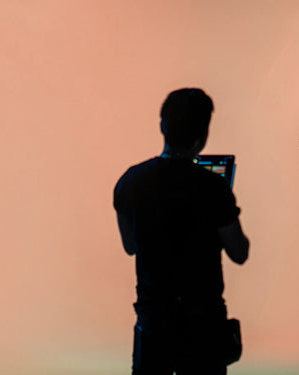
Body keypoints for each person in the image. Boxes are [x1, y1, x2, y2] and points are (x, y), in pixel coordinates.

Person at [114, 88, 250, 375]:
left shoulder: (130, 182)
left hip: (153, 322)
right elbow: (239, 252)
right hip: (204, 325)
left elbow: (130, 246)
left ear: (162, 125)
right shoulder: (214, 188)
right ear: (203, 135)